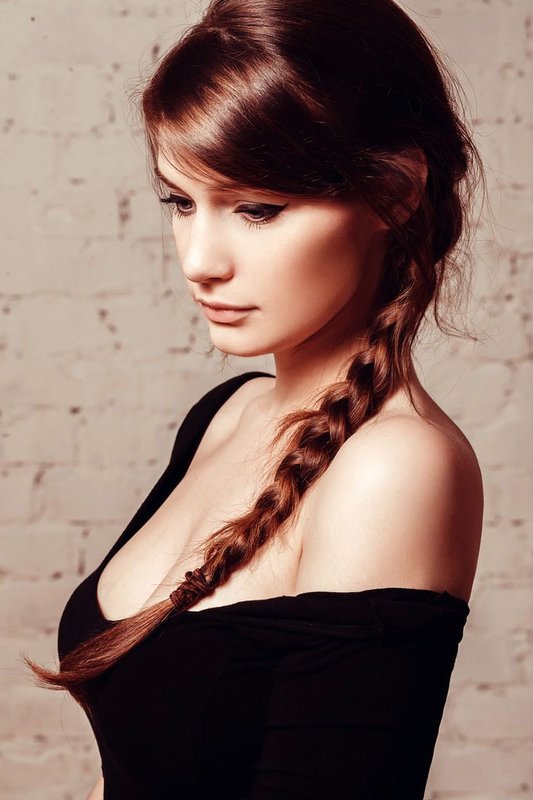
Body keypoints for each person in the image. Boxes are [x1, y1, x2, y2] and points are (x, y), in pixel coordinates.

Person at [27, 0, 485, 797]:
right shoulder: (228, 412)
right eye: (180, 202)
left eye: (256, 209)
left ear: (395, 191)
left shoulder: (394, 470)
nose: (199, 260)